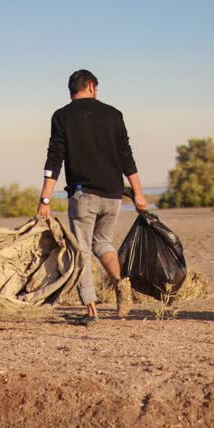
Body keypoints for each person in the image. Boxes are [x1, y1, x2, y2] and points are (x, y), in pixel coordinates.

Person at [37, 69, 147, 326]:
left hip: (82, 195)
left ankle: (92, 311)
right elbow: (126, 155)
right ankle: (122, 285)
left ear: (72, 89)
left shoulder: (61, 116)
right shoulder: (114, 114)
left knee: (82, 251)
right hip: (113, 195)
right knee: (103, 243)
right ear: (91, 86)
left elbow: (54, 160)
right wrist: (138, 193)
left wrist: (45, 199)